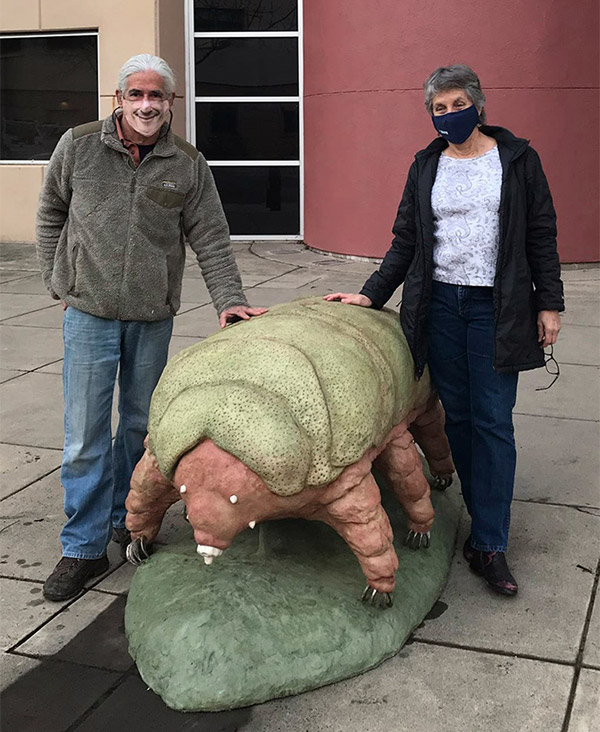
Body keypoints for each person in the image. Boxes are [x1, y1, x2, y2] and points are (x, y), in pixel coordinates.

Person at [325, 64, 564, 597]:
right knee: (457, 417)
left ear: (479, 105)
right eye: (440, 108)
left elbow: (541, 234)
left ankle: (493, 543)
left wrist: (549, 304)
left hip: (497, 309)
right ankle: (482, 524)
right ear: (430, 116)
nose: (451, 115)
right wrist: (371, 293)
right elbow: (406, 238)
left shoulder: (517, 160)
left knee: (494, 422)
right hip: (440, 306)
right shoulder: (426, 164)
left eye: (459, 104)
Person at [36, 54, 266, 601]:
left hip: (151, 320)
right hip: (88, 315)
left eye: (156, 96)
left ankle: (128, 518)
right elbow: (50, 214)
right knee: (85, 438)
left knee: (140, 430)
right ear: (118, 99)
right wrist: (58, 284)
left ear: (170, 103)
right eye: (135, 94)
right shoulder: (78, 146)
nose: (146, 104)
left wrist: (230, 301)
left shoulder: (186, 163)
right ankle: (83, 548)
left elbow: (210, 237)